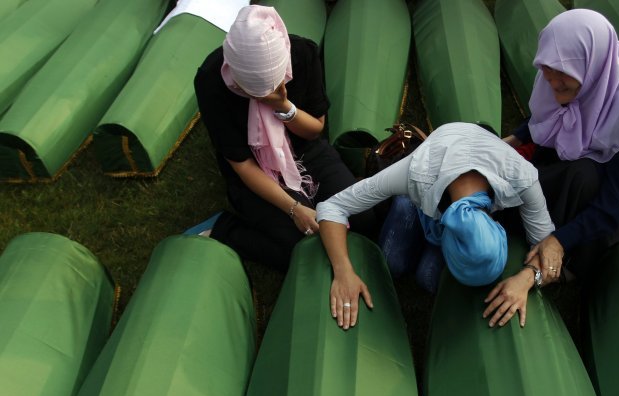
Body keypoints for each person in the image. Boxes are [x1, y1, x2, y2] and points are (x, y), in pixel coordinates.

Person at [316, 122, 557, 330]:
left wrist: (527, 278)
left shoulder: (522, 176)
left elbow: (547, 245)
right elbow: (331, 208)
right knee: (392, 263)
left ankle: (428, 227)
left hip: (475, 160)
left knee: (428, 278)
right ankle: (407, 203)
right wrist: (343, 270)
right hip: (433, 168)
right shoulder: (413, 172)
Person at [192, 5, 375, 270]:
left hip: (307, 150)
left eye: (271, 87)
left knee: (366, 221)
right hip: (257, 168)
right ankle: (224, 228)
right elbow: (241, 164)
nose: (260, 97)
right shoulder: (212, 79)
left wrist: (283, 106)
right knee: (300, 248)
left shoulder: (303, 54)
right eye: (250, 91)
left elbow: (314, 129)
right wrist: (294, 209)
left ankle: (313, 197)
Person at [504, 9, 619, 281]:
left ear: (592, 65)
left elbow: (615, 203)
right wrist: (514, 139)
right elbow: (552, 114)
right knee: (542, 171)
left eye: (561, 80)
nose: (552, 86)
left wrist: (558, 240)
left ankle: (574, 258)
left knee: (577, 178)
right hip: (595, 153)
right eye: (547, 76)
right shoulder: (571, 70)